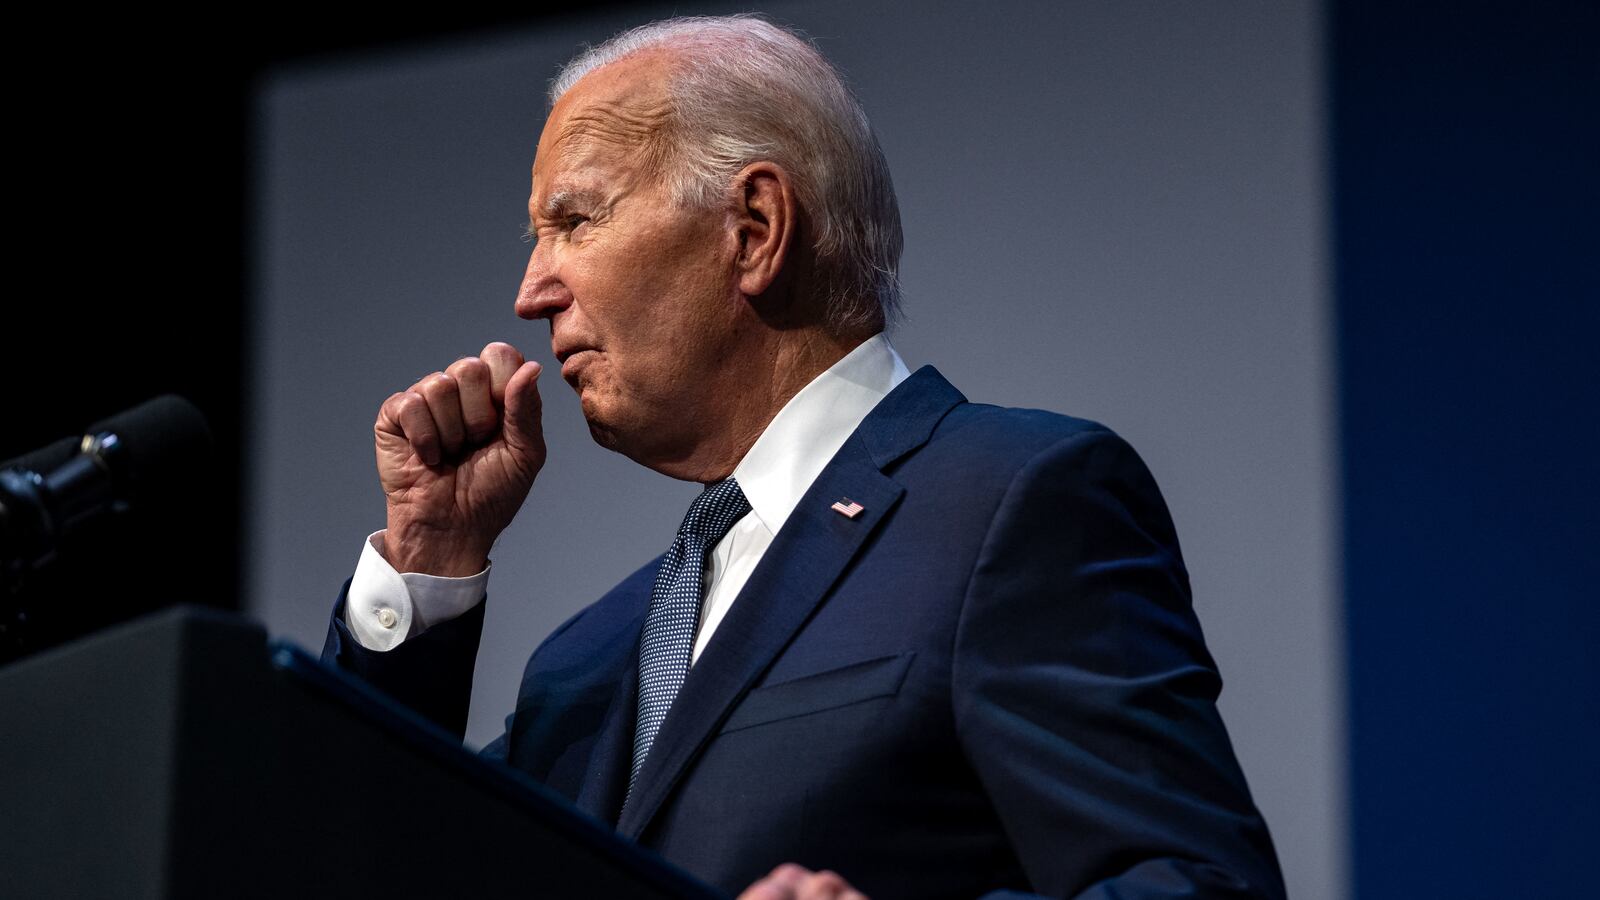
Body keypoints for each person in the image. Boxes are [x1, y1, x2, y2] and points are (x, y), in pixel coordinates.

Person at [321, 15, 1285, 900]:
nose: (533, 291)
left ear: (754, 231)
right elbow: (357, 863)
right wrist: (429, 557)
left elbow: (1200, 883)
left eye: (575, 221)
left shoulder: (1010, 505)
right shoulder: (586, 664)